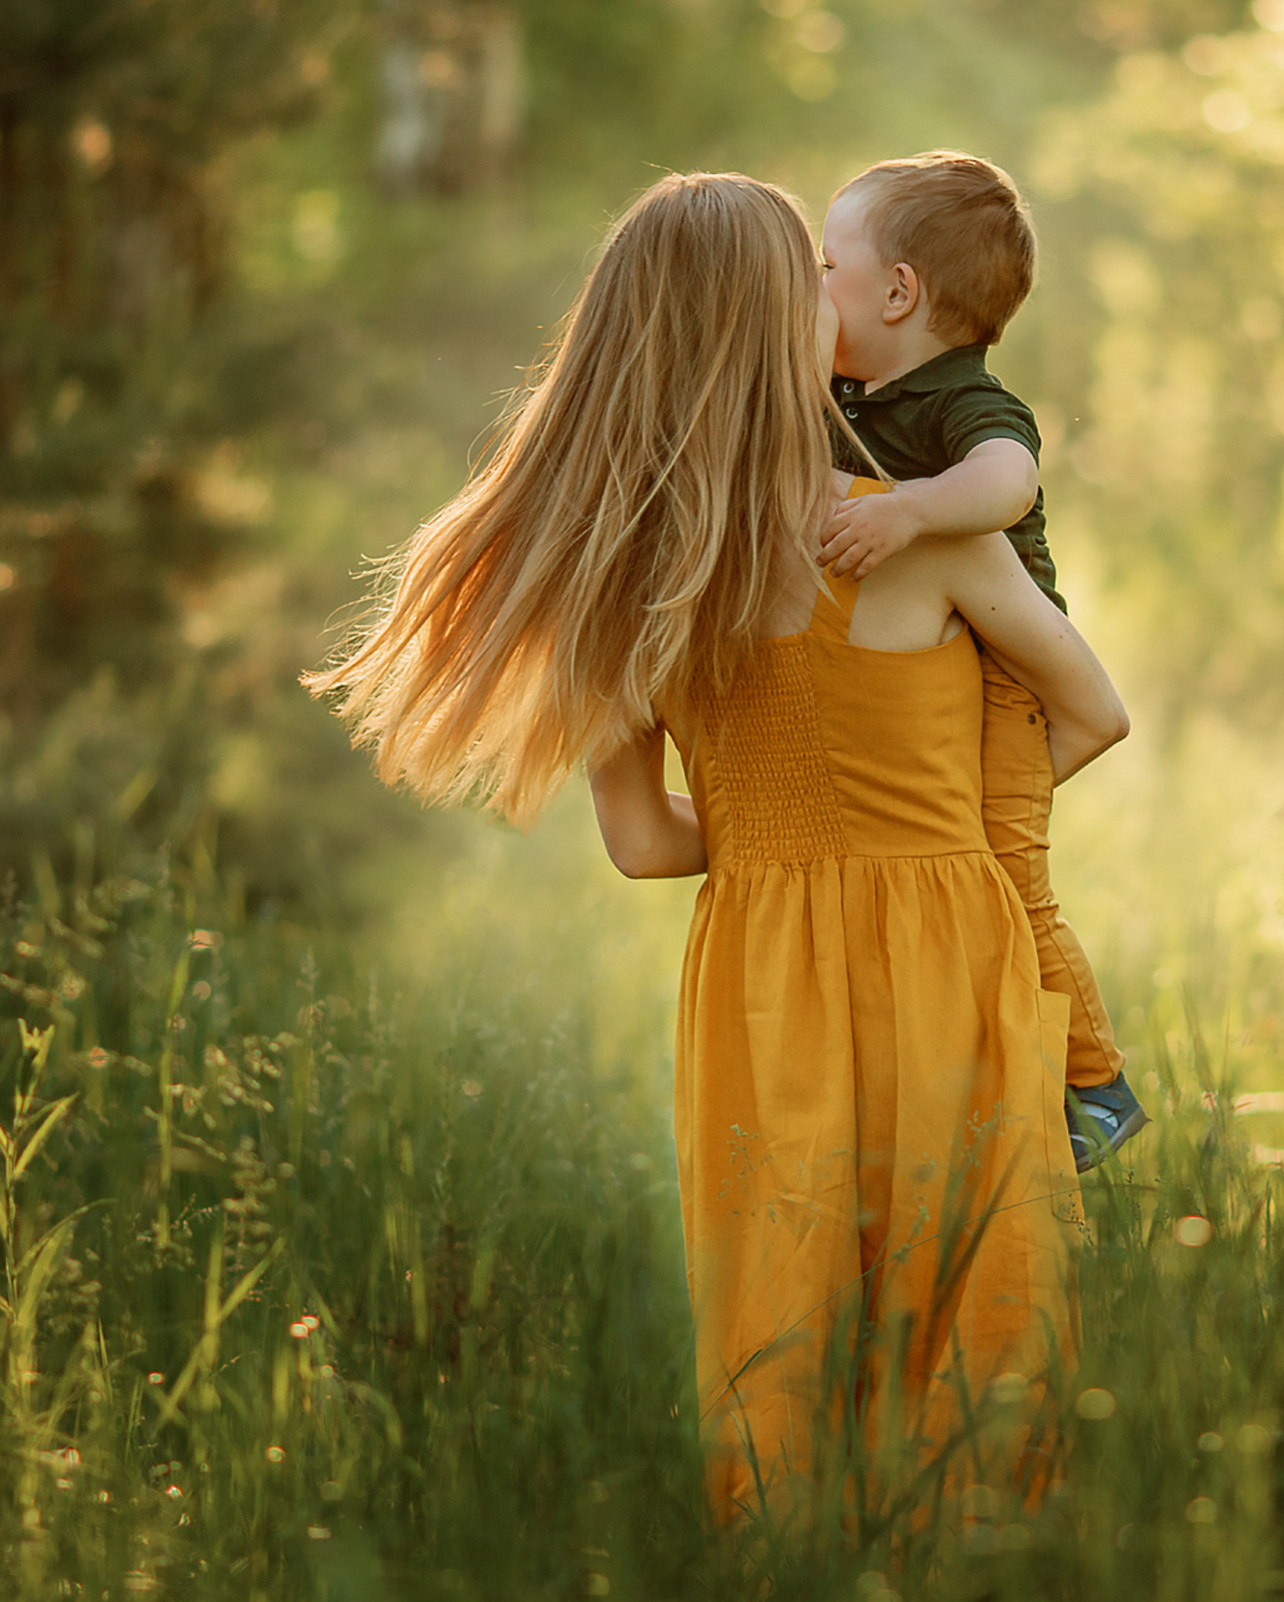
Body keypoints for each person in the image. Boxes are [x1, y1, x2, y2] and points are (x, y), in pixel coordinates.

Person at [304, 173, 1131, 1525]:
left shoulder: (621, 579)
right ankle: (979, 1596)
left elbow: (640, 845)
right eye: (806, 275)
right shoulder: (908, 523)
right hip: (946, 943)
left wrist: (777, 837)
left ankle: (790, 1595)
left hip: (760, 975)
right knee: (966, 1300)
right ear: (768, 324)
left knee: (787, 1309)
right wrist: (924, 832)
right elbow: (1093, 713)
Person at [815, 150, 1147, 1173]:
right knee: (967, 879)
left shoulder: (965, 402)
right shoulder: (842, 388)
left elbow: (1005, 483)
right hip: (927, 676)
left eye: (827, 267)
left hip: (1007, 680)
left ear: (899, 290)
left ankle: (1092, 1084)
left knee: (1005, 871)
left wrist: (912, 509)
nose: (811, 289)